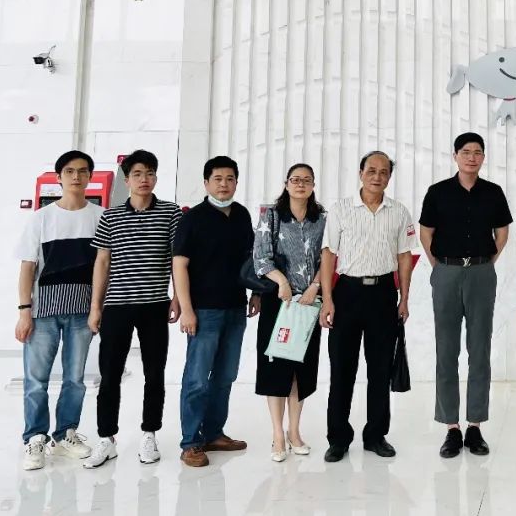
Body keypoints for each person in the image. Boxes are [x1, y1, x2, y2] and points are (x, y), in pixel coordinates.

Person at [83, 150, 183, 468]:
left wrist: (177, 298)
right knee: (110, 374)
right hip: (116, 306)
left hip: (155, 305)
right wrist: (96, 307)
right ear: (126, 180)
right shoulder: (110, 216)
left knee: (154, 373)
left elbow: (177, 259)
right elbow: (102, 262)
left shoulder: (170, 213)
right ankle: (106, 438)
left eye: (150, 173)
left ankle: (149, 433)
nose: (144, 179)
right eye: (138, 174)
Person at [420, 132, 513, 458]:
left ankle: (474, 425)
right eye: (466, 152)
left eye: (477, 152)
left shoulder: (493, 192)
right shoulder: (438, 192)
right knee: (446, 350)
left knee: (479, 350)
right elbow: (426, 232)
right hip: (446, 272)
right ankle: (451, 427)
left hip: (481, 273)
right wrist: (440, 266)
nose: (472, 157)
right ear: (455, 156)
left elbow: (502, 232)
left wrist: (486, 263)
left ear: (483, 157)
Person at [321, 151, 415, 462]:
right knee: (342, 370)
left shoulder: (399, 212)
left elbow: (404, 257)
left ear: (389, 176)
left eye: (384, 172)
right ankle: (338, 438)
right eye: (371, 170)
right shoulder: (341, 209)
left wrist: (404, 298)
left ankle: (376, 435)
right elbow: (328, 255)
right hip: (346, 294)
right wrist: (328, 299)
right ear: (361, 173)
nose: (377, 176)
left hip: (383, 296)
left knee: (380, 370)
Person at [15, 150, 102, 470]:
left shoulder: (101, 217)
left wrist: (98, 309)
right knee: (35, 380)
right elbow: (27, 267)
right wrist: (24, 311)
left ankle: (66, 434)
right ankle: (35, 437)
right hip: (43, 312)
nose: (76, 176)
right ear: (59, 177)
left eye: (82, 171)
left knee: (75, 379)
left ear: (90, 176)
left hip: (82, 311)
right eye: (69, 171)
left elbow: (104, 268)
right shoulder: (41, 218)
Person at [174, 156, 260, 467]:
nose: (224, 184)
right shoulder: (192, 219)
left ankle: (213, 433)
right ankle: (190, 442)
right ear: (206, 183)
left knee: (225, 376)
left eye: (230, 178)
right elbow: (179, 265)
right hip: (203, 311)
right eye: (218, 178)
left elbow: (252, 259)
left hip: (235, 308)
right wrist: (187, 309)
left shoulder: (241, 215)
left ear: (236, 182)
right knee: (197, 379)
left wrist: (256, 294)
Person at [254, 164, 326, 462]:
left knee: (300, 370)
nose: (300, 184)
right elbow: (260, 257)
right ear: (286, 184)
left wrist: (316, 286)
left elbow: (329, 257)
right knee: (275, 370)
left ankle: (294, 431)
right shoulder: (271, 215)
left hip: (309, 303)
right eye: (295, 180)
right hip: (278, 302)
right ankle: (277, 434)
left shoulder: (322, 218)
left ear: (313, 185)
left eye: (306, 180)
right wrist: (282, 282)